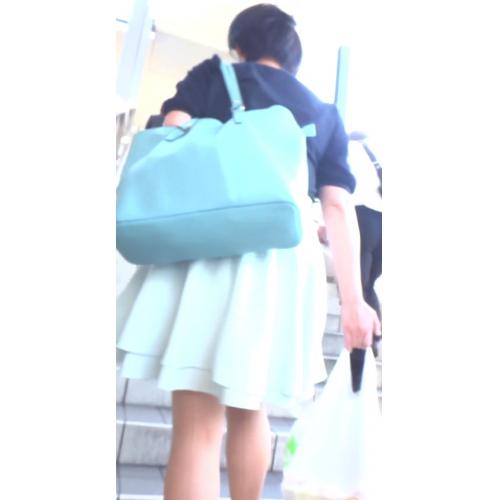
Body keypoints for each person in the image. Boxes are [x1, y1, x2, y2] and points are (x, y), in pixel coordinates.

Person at [116, 4, 381, 500]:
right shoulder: (323, 113)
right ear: (293, 58)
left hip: (207, 246)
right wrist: (353, 302)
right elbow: (338, 208)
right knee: (250, 409)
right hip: (282, 262)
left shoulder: (213, 76)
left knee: (197, 427)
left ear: (239, 46)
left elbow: (173, 133)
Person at [348, 131, 383, 326]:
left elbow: (342, 189)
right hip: (382, 220)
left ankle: (367, 339)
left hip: (363, 216)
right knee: (369, 286)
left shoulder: (349, 149)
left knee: (360, 288)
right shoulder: (379, 148)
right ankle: (376, 336)